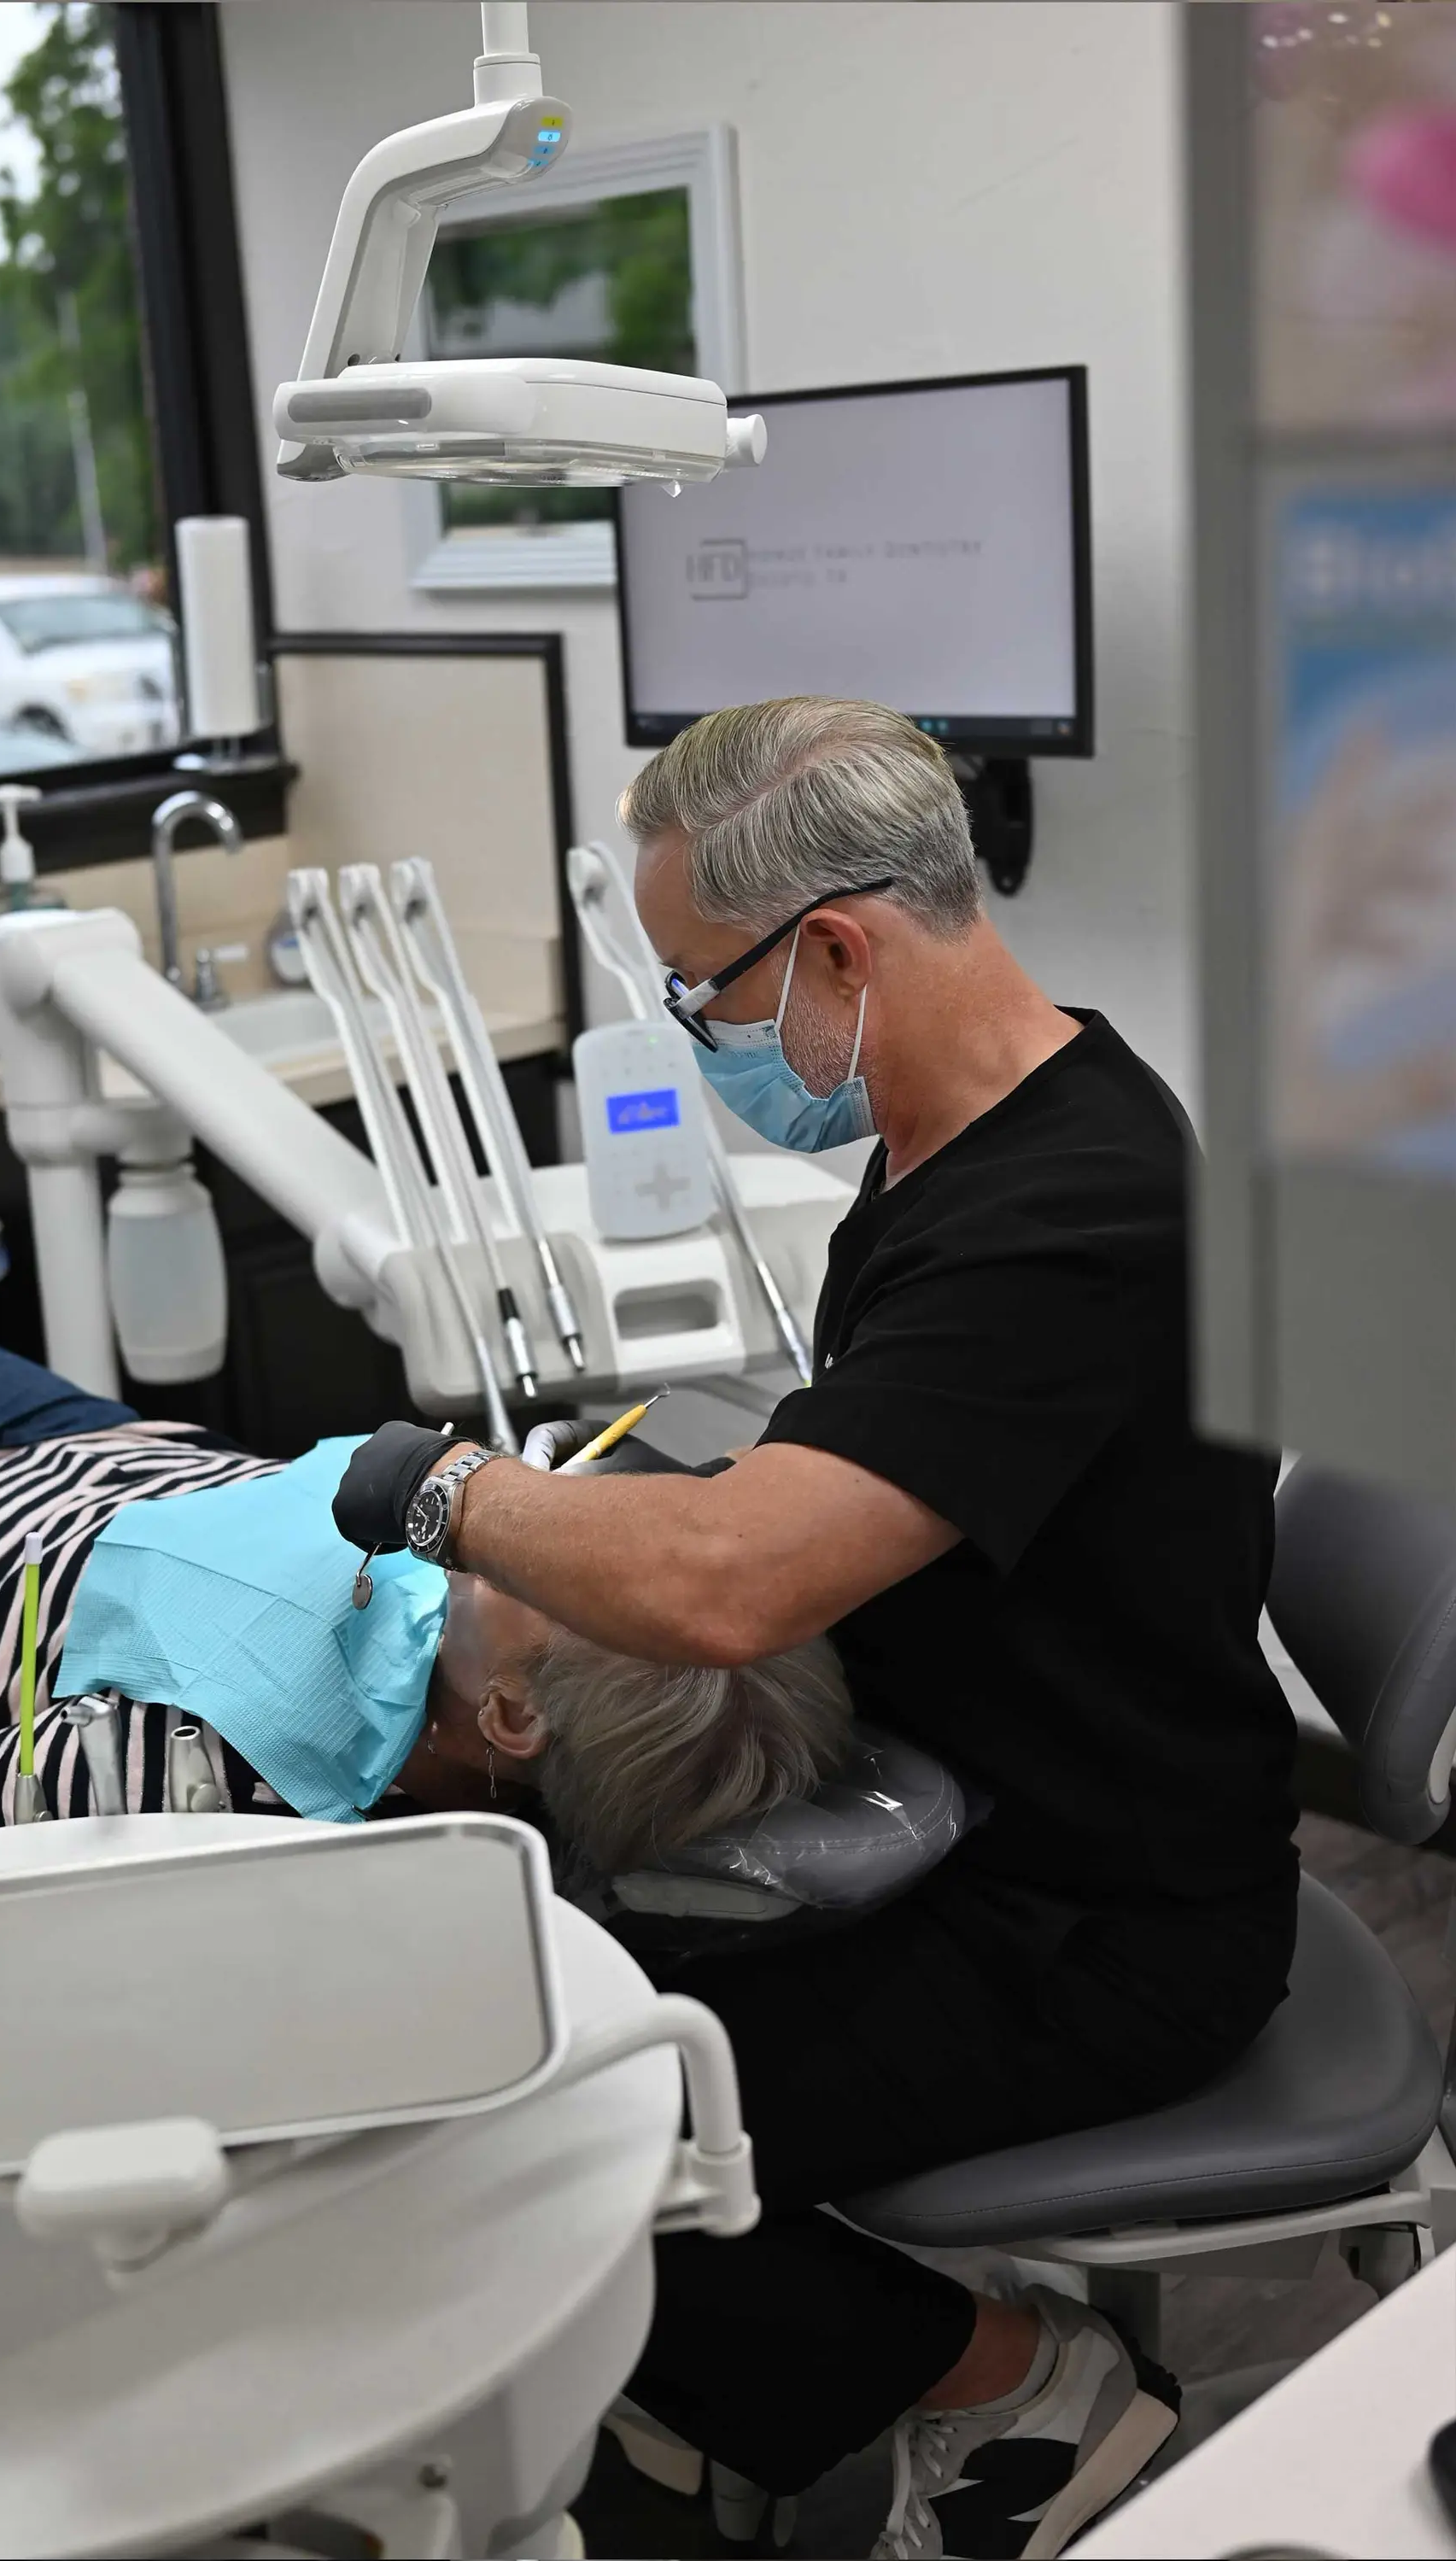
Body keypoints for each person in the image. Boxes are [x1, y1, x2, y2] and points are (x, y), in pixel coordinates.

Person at [334, 699, 1301, 2560]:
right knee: (507, 1962)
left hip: (1093, 1922)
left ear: (838, 949)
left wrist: (440, 1487)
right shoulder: (961, 1135)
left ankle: (1016, 2384)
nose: (702, 1038)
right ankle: (720, 2378)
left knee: (536, 2121)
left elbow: (731, 1583)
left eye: (704, 994)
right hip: (950, 1815)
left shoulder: (1072, 1209)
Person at [0, 1284, 849, 1863]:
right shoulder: (469, 1632)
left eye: (576, 1578)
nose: (553, 1507)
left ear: (514, 1714)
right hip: (124, 1458)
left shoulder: (250, 1791)